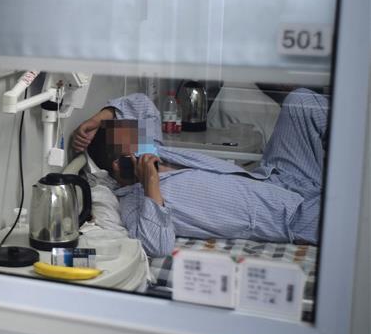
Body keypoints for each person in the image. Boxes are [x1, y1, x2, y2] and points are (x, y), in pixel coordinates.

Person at [71, 89, 329, 257]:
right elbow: (156, 245)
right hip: (290, 215)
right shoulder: (134, 203)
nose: (146, 149)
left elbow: (143, 104)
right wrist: (151, 186)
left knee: (302, 102)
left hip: (276, 176)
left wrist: (97, 119)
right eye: (135, 148)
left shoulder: (153, 150)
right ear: (118, 166)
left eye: (139, 140)